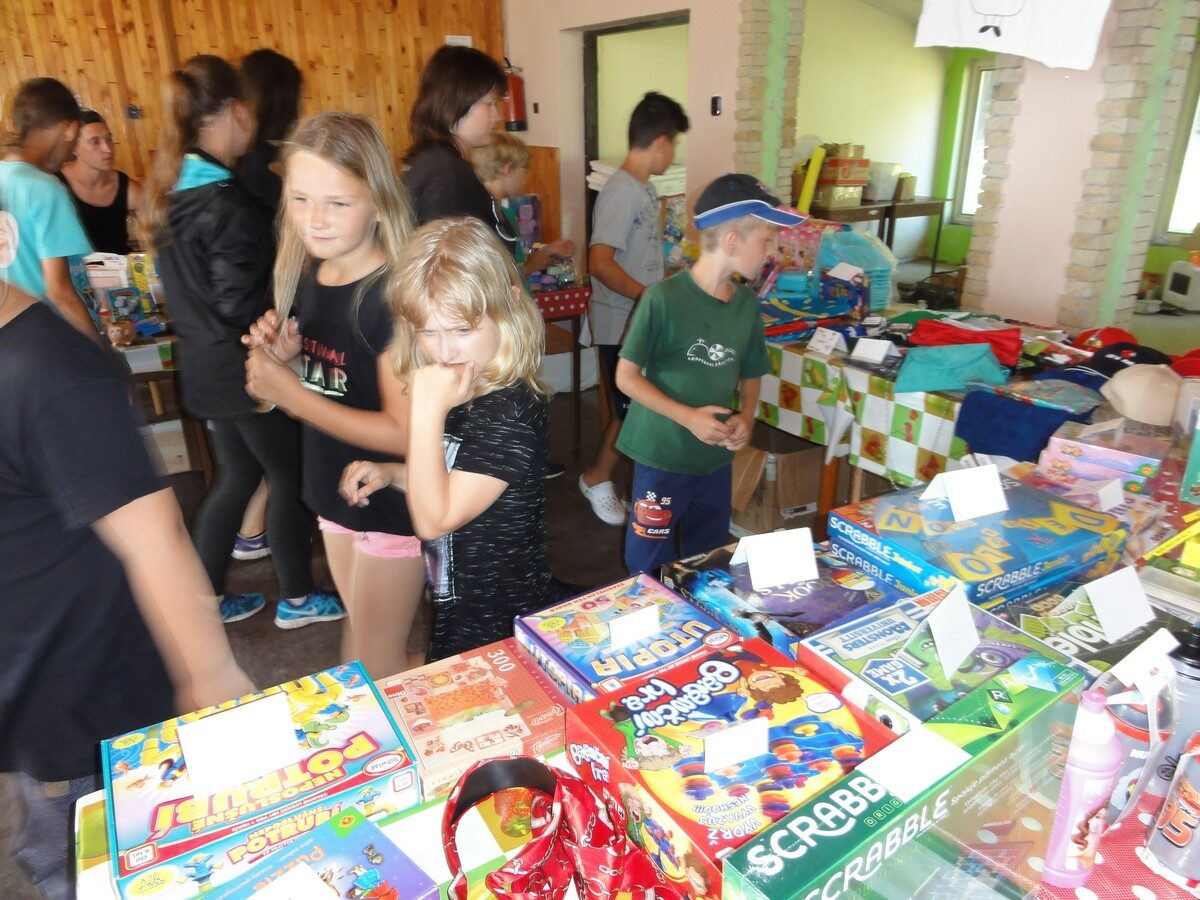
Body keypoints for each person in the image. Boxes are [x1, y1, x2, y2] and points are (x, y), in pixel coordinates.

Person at [0, 209, 253, 898]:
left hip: (85, 703)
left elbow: (154, 537)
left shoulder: (50, 372)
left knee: (100, 865)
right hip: (31, 694)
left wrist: (209, 676)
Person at [140, 54, 339, 627]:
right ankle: (298, 599)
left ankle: (204, 602)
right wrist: (278, 331)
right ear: (235, 111)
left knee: (238, 477)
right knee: (290, 477)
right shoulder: (224, 202)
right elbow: (237, 304)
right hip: (245, 369)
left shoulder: (173, 192)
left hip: (205, 366)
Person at [243, 112, 424, 678]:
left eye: (338, 203)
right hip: (334, 493)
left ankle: (483, 675)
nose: (315, 219)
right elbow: (341, 387)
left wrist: (291, 395)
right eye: (300, 199)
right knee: (364, 657)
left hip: (388, 503)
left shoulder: (392, 298)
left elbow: (405, 434)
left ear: (379, 204)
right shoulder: (313, 277)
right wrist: (291, 363)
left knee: (376, 666)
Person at [339, 217, 554, 660]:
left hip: (498, 615)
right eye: (428, 331)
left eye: (462, 330)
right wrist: (393, 473)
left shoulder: (508, 411)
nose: (444, 351)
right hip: (458, 600)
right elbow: (451, 476)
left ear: (509, 307)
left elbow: (435, 520)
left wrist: (426, 410)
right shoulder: (464, 388)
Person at [615, 173, 802, 575]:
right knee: (647, 564)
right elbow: (626, 377)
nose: (774, 251)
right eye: (767, 240)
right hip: (662, 456)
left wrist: (747, 416)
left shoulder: (746, 305)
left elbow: (751, 371)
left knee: (709, 558)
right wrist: (688, 417)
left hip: (714, 459)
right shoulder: (662, 299)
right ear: (732, 241)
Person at [578, 91, 689, 526]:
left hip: (640, 318)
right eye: (674, 144)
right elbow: (599, 262)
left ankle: (629, 487)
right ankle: (596, 478)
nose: (673, 154)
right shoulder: (620, 191)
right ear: (660, 142)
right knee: (630, 412)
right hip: (619, 321)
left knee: (640, 409)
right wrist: (648, 296)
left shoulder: (643, 188)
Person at [231, 48, 304, 561]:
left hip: (258, 323)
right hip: (273, 322)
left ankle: (252, 531)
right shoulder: (266, 176)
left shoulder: (237, 168)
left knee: (261, 463)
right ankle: (294, 580)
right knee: (286, 461)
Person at [0, 77, 96, 337]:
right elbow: (60, 293)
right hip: (47, 338)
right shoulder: (45, 188)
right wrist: (101, 350)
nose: (71, 152)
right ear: (69, 129)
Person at [402, 44, 507, 234]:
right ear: (456, 103)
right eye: (490, 103)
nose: (497, 116)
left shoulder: (436, 161)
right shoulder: (447, 175)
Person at [470, 132, 576, 277]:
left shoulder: (502, 212)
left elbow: (514, 258)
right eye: (523, 171)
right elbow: (498, 278)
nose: (524, 180)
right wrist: (531, 266)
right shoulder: (486, 218)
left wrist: (548, 251)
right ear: (506, 169)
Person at [58, 110, 142, 255]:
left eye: (109, 139)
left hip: (120, 266)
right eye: (95, 142)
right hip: (74, 267)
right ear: (75, 148)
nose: (107, 149)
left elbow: (156, 235)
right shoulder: (56, 184)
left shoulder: (127, 187)